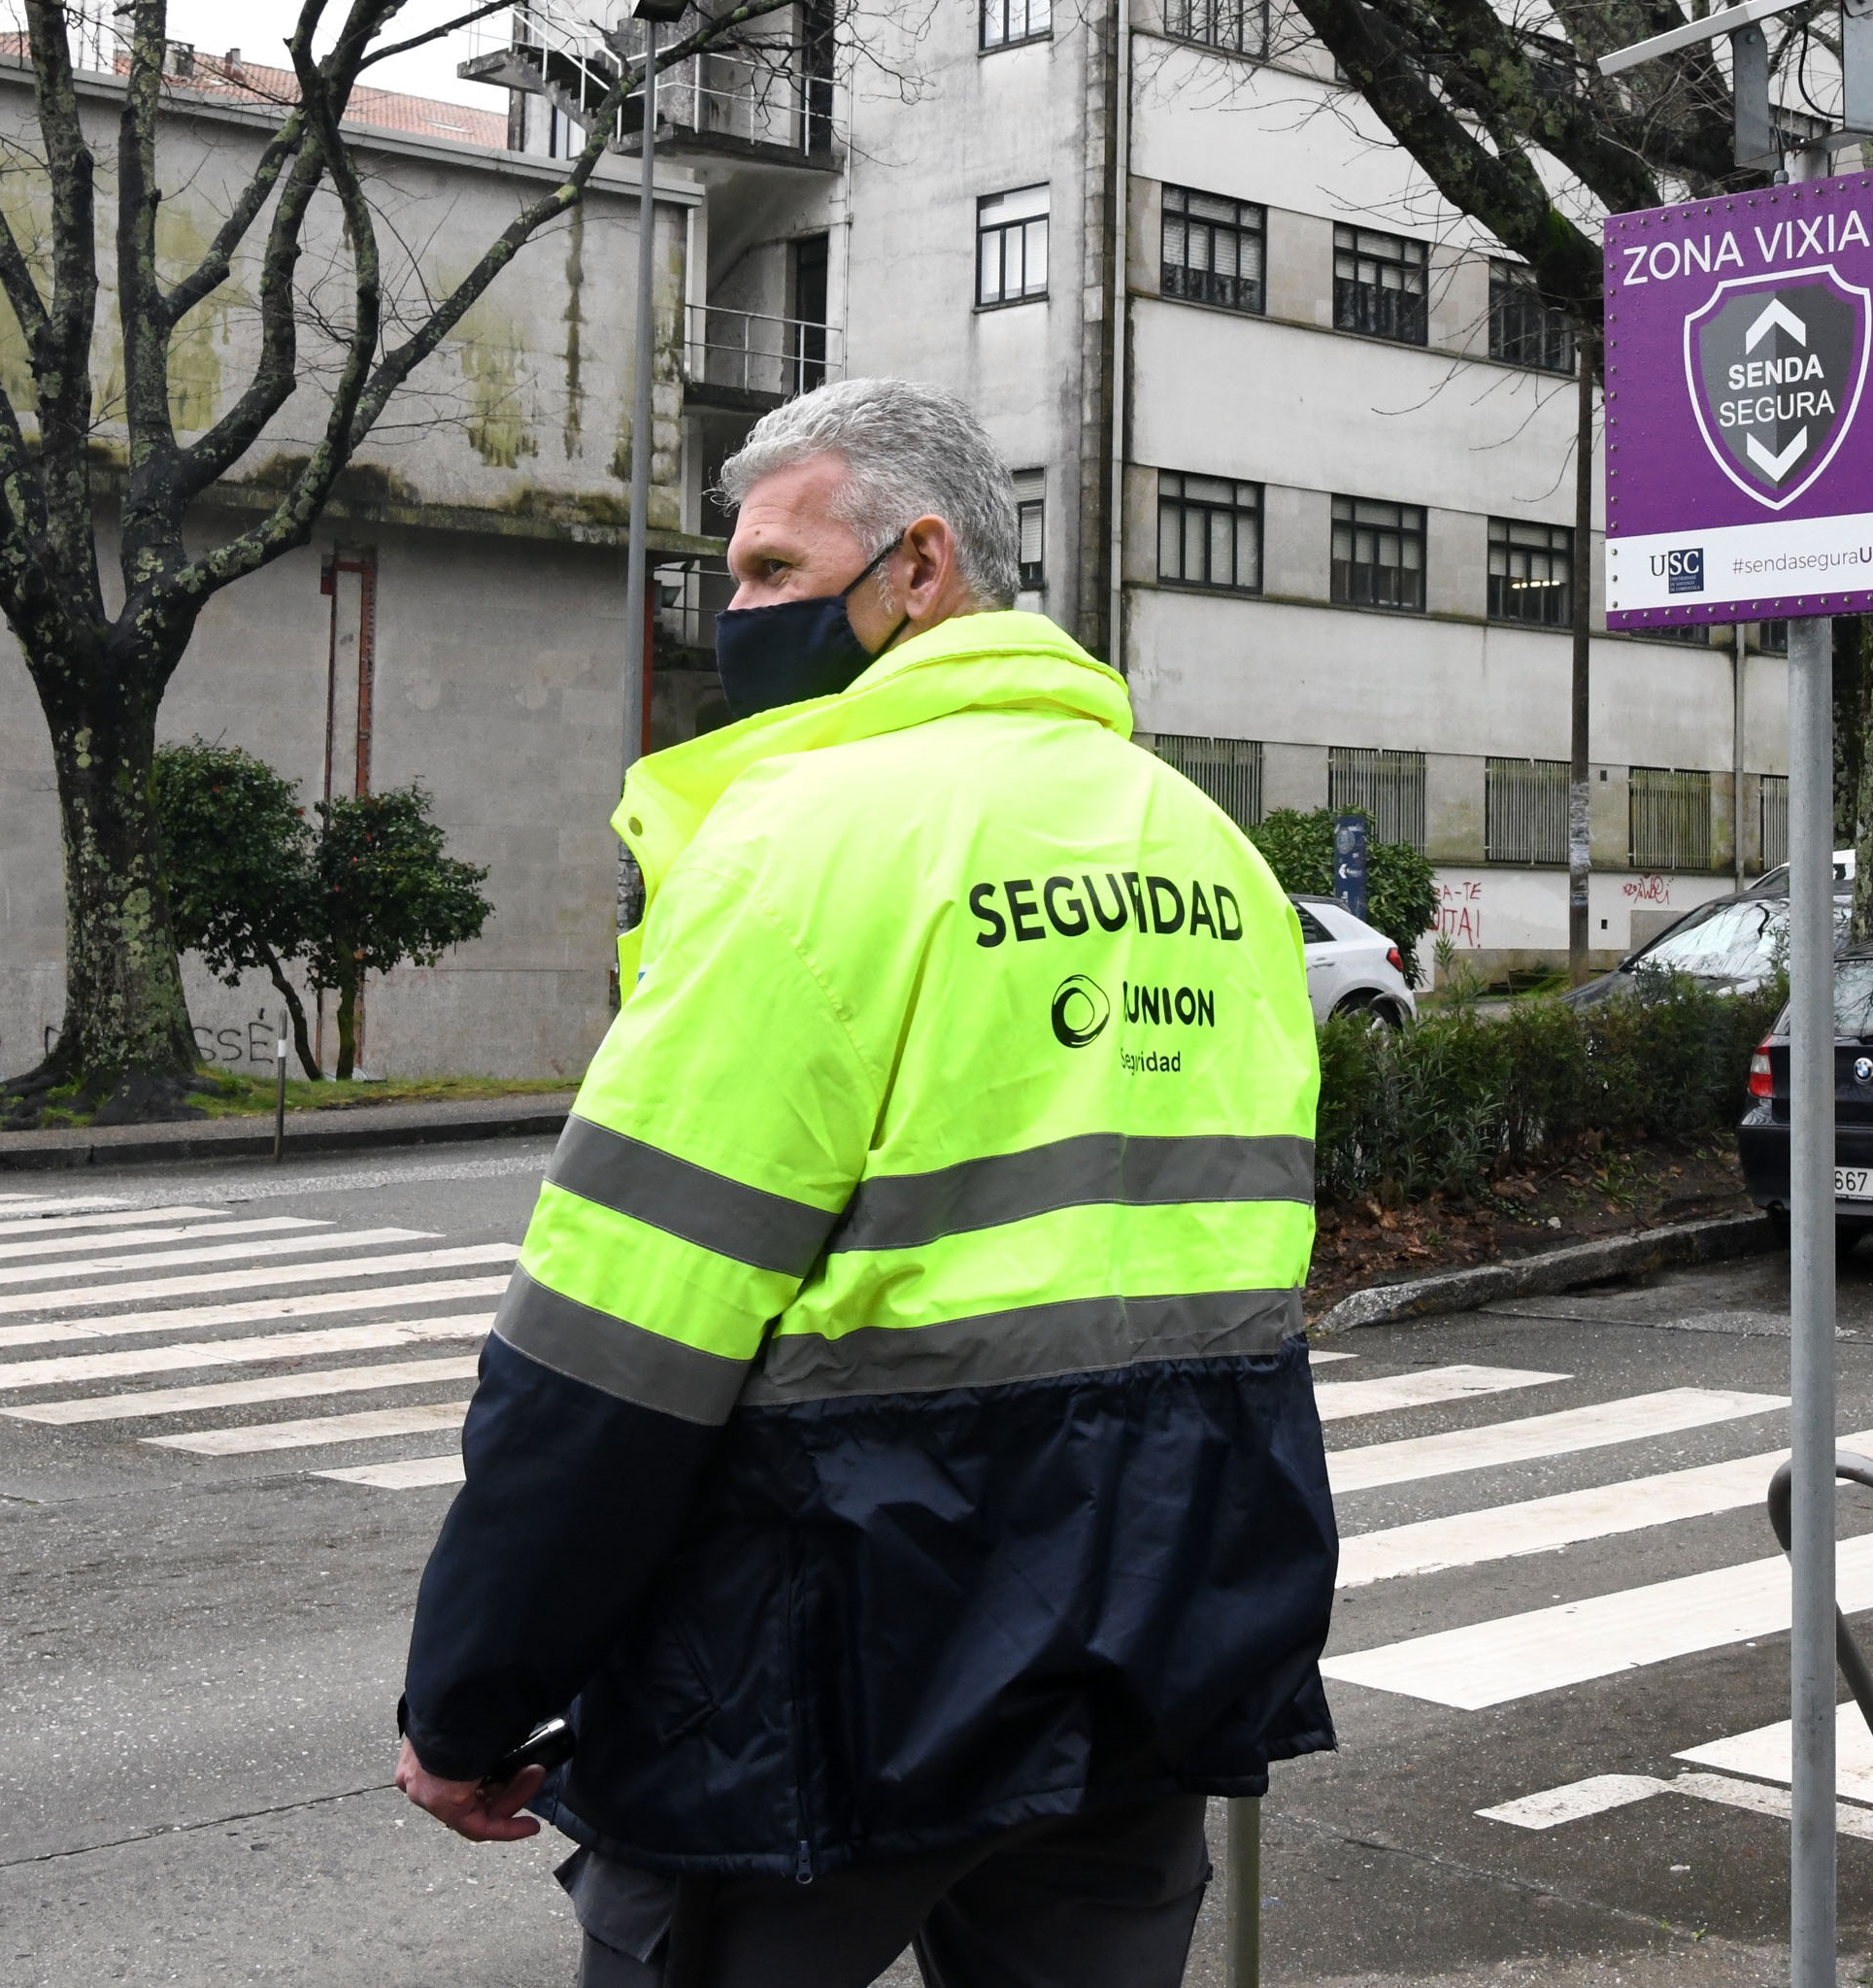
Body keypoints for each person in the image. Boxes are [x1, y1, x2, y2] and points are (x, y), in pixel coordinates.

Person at [390, 377, 1334, 1987]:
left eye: (772, 570)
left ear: (920, 566)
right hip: (1160, 1630)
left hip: (832, 1662)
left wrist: (473, 1692)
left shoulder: (803, 843)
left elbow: (619, 1340)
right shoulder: (1205, 848)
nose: (736, 614)